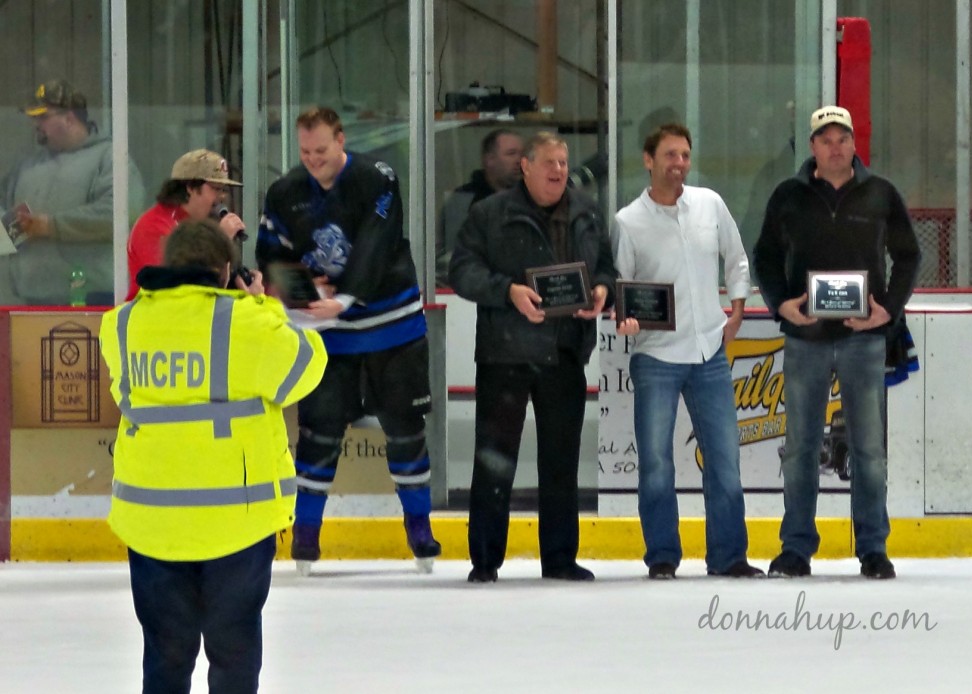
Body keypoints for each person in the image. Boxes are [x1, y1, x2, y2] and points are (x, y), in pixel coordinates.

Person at [98, 219, 327, 693]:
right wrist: (266, 305)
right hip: (236, 522)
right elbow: (305, 370)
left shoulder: (122, 324)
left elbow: (127, 393)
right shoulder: (246, 321)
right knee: (234, 654)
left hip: (152, 520)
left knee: (165, 652)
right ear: (226, 270)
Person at [257, 106, 441, 573]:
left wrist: (345, 298)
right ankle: (305, 536)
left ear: (341, 140)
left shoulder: (376, 178)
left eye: (321, 150)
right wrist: (299, 290)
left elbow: (378, 242)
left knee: (405, 430)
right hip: (330, 336)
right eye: (304, 152)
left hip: (392, 327)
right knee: (318, 434)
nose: (313, 159)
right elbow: (272, 252)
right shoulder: (283, 192)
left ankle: (419, 530)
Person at [753, 105, 921, 580]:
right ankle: (795, 549)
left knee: (867, 448)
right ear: (812, 147)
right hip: (804, 339)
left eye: (842, 138)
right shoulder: (788, 196)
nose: (834, 147)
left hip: (863, 342)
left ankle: (872, 548)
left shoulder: (881, 194)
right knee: (801, 447)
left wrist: (887, 308)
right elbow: (765, 256)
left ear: (853, 143)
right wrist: (781, 304)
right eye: (825, 139)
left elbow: (908, 255)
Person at [449, 131, 617, 583]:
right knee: (494, 460)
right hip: (505, 354)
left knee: (561, 461)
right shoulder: (488, 213)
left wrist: (602, 291)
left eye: (563, 162)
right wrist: (507, 292)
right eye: (549, 163)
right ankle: (485, 560)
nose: (559, 171)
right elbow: (462, 270)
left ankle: (560, 558)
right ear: (525, 166)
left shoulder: (586, 210)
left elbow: (605, 266)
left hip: (564, 352)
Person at [614, 123, 764, 580]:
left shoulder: (710, 205)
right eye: (669, 155)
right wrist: (627, 318)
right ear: (648, 160)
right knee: (656, 463)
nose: (678, 164)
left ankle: (728, 556)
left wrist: (737, 310)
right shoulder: (627, 222)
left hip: (709, 353)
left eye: (684, 155)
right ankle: (662, 555)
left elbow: (736, 259)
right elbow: (623, 287)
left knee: (725, 460)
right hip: (655, 356)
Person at [1, 78, 144, 305]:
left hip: (93, 300)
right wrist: (15, 227)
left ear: (69, 118)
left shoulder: (110, 159)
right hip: (32, 301)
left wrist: (50, 226)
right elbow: (4, 209)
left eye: (43, 117)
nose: (36, 124)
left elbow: (120, 214)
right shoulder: (27, 166)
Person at [126, 149, 246, 300]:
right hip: (151, 317)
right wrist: (218, 245)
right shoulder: (154, 226)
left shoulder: (196, 224)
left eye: (224, 190)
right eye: (216, 189)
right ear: (190, 187)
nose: (221, 197)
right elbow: (176, 286)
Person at [435, 128, 523, 286]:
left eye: (522, 154)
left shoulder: (532, 198)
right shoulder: (462, 200)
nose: (519, 160)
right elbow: (450, 257)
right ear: (489, 159)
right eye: (511, 153)